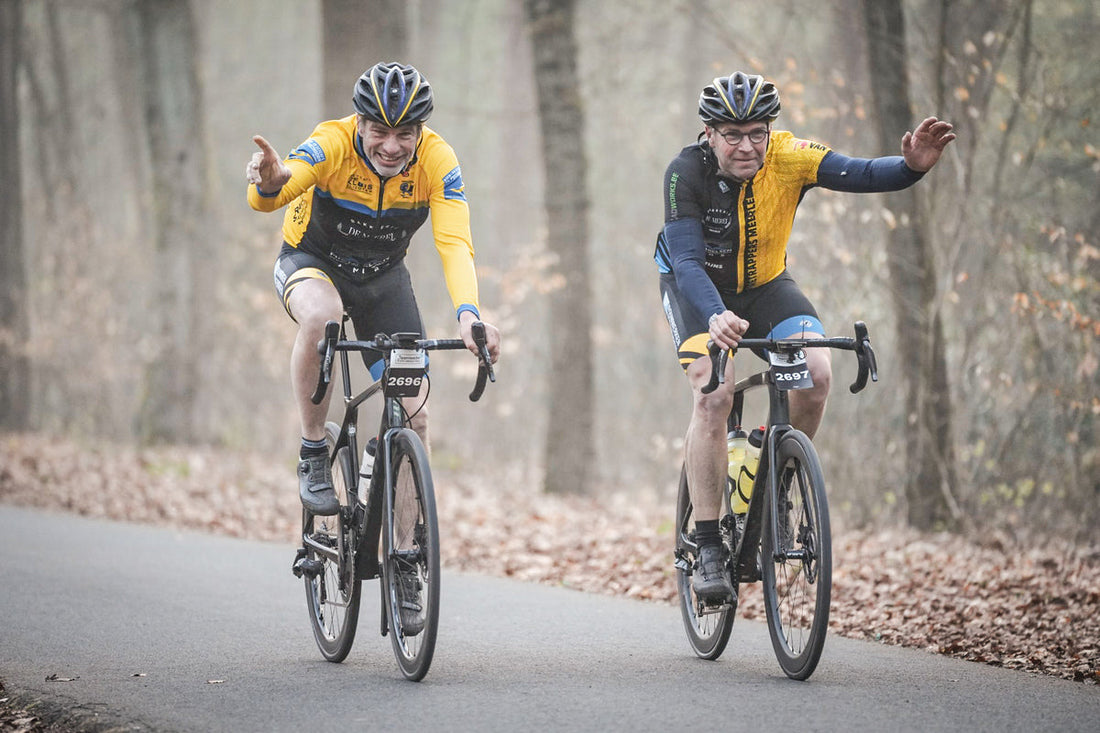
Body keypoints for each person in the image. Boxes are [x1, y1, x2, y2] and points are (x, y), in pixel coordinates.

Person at [655, 71, 954, 604]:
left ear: (771, 130)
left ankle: (770, 482)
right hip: (696, 291)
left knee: (816, 377)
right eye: (732, 134)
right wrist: (716, 314)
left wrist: (909, 168)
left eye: (757, 132)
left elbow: (858, 172)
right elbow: (684, 259)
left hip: (769, 287)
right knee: (714, 393)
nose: (746, 146)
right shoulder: (685, 174)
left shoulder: (789, 157)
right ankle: (706, 544)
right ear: (709, 134)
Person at [245, 61, 501, 519]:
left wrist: (469, 314)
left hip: (382, 281)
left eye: (406, 134)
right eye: (379, 130)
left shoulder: (438, 162)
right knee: (324, 317)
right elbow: (277, 192)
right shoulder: (331, 142)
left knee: (415, 414)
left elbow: (455, 243)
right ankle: (312, 450)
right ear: (359, 123)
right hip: (312, 264)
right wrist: (267, 185)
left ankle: (404, 562)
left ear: (421, 130)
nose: (391, 146)